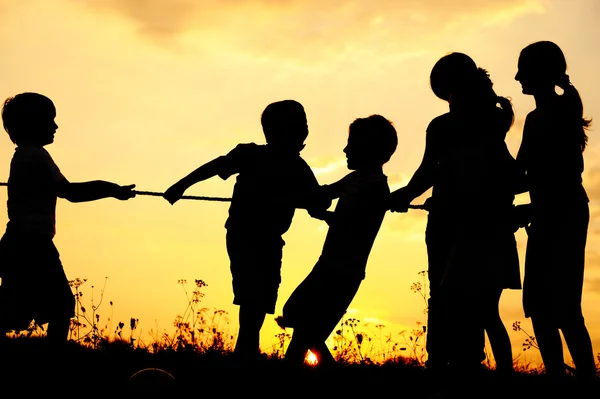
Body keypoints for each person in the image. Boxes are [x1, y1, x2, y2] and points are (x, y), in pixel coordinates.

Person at [389, 53, 523, 379]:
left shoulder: (452, 126)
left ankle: (443, 365)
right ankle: (464, 364)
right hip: (470, 221)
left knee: (448, 295)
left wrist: (404, 195)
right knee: (469, 301)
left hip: (464, 223)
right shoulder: (491, 123)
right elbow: (508, 177)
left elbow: (427, 172)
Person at [163, 100, 325, 363]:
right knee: (252, 297)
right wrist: (181, 185)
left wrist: (329, 211)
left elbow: (315, 203)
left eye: (305, 125)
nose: (304, 130)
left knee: (262, 296)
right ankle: (246, 350)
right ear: (276, 130)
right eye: (298, 125)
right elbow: (215, 166)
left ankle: (247, 349)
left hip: (272, 241)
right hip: (244, 236)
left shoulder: (299, 167)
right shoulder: (252, 155)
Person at [0, 92, 136, 350]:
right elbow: (70, 192)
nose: (55, 126)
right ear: (33, 123)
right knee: (60, 306)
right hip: (32, 244)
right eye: (50, 120)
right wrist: (111, 190)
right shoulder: (36, 156)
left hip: (19, 241)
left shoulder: (25, 156)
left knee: (15, 310)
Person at [275, 114, 397, 367]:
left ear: (369, 149)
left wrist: (324, 214)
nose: (345, 149)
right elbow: (323, 193)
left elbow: (354, 226)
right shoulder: (354, 180)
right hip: (328, 266)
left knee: (303, 326)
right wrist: (303, 198)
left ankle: (326, 378)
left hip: (344, 272)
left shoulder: (376, 189)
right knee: (301, 325)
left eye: (352, 144)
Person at [514, 41, 596, 383]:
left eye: (523, 69)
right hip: (557, 213)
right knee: (551, 307)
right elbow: (527, 177)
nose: (517, 76)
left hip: (557, 215)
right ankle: (573, 379)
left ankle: (575, 380)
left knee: (554, 307)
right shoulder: (556, 112)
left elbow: (528, 175)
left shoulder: (543, 118)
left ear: (539, 73)